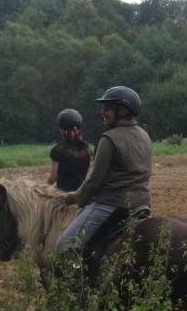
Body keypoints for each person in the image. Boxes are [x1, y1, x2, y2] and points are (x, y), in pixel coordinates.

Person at [56, 86, 153, 259]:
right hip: (142, 203)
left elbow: (94, 180)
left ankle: (76, 283)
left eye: (108, 108)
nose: (103, 112)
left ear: (122, 111)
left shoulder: (109, 138)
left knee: (65, 243)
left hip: (111, 204)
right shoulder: (144, 135)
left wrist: (75, 198)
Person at [48, 108, 91, 192]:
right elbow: (87, 176)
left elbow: (53, 177)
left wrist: (43, 188)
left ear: (62, 130)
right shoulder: (87, 148)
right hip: (80, 194)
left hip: (63, 195)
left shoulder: (58, 149)